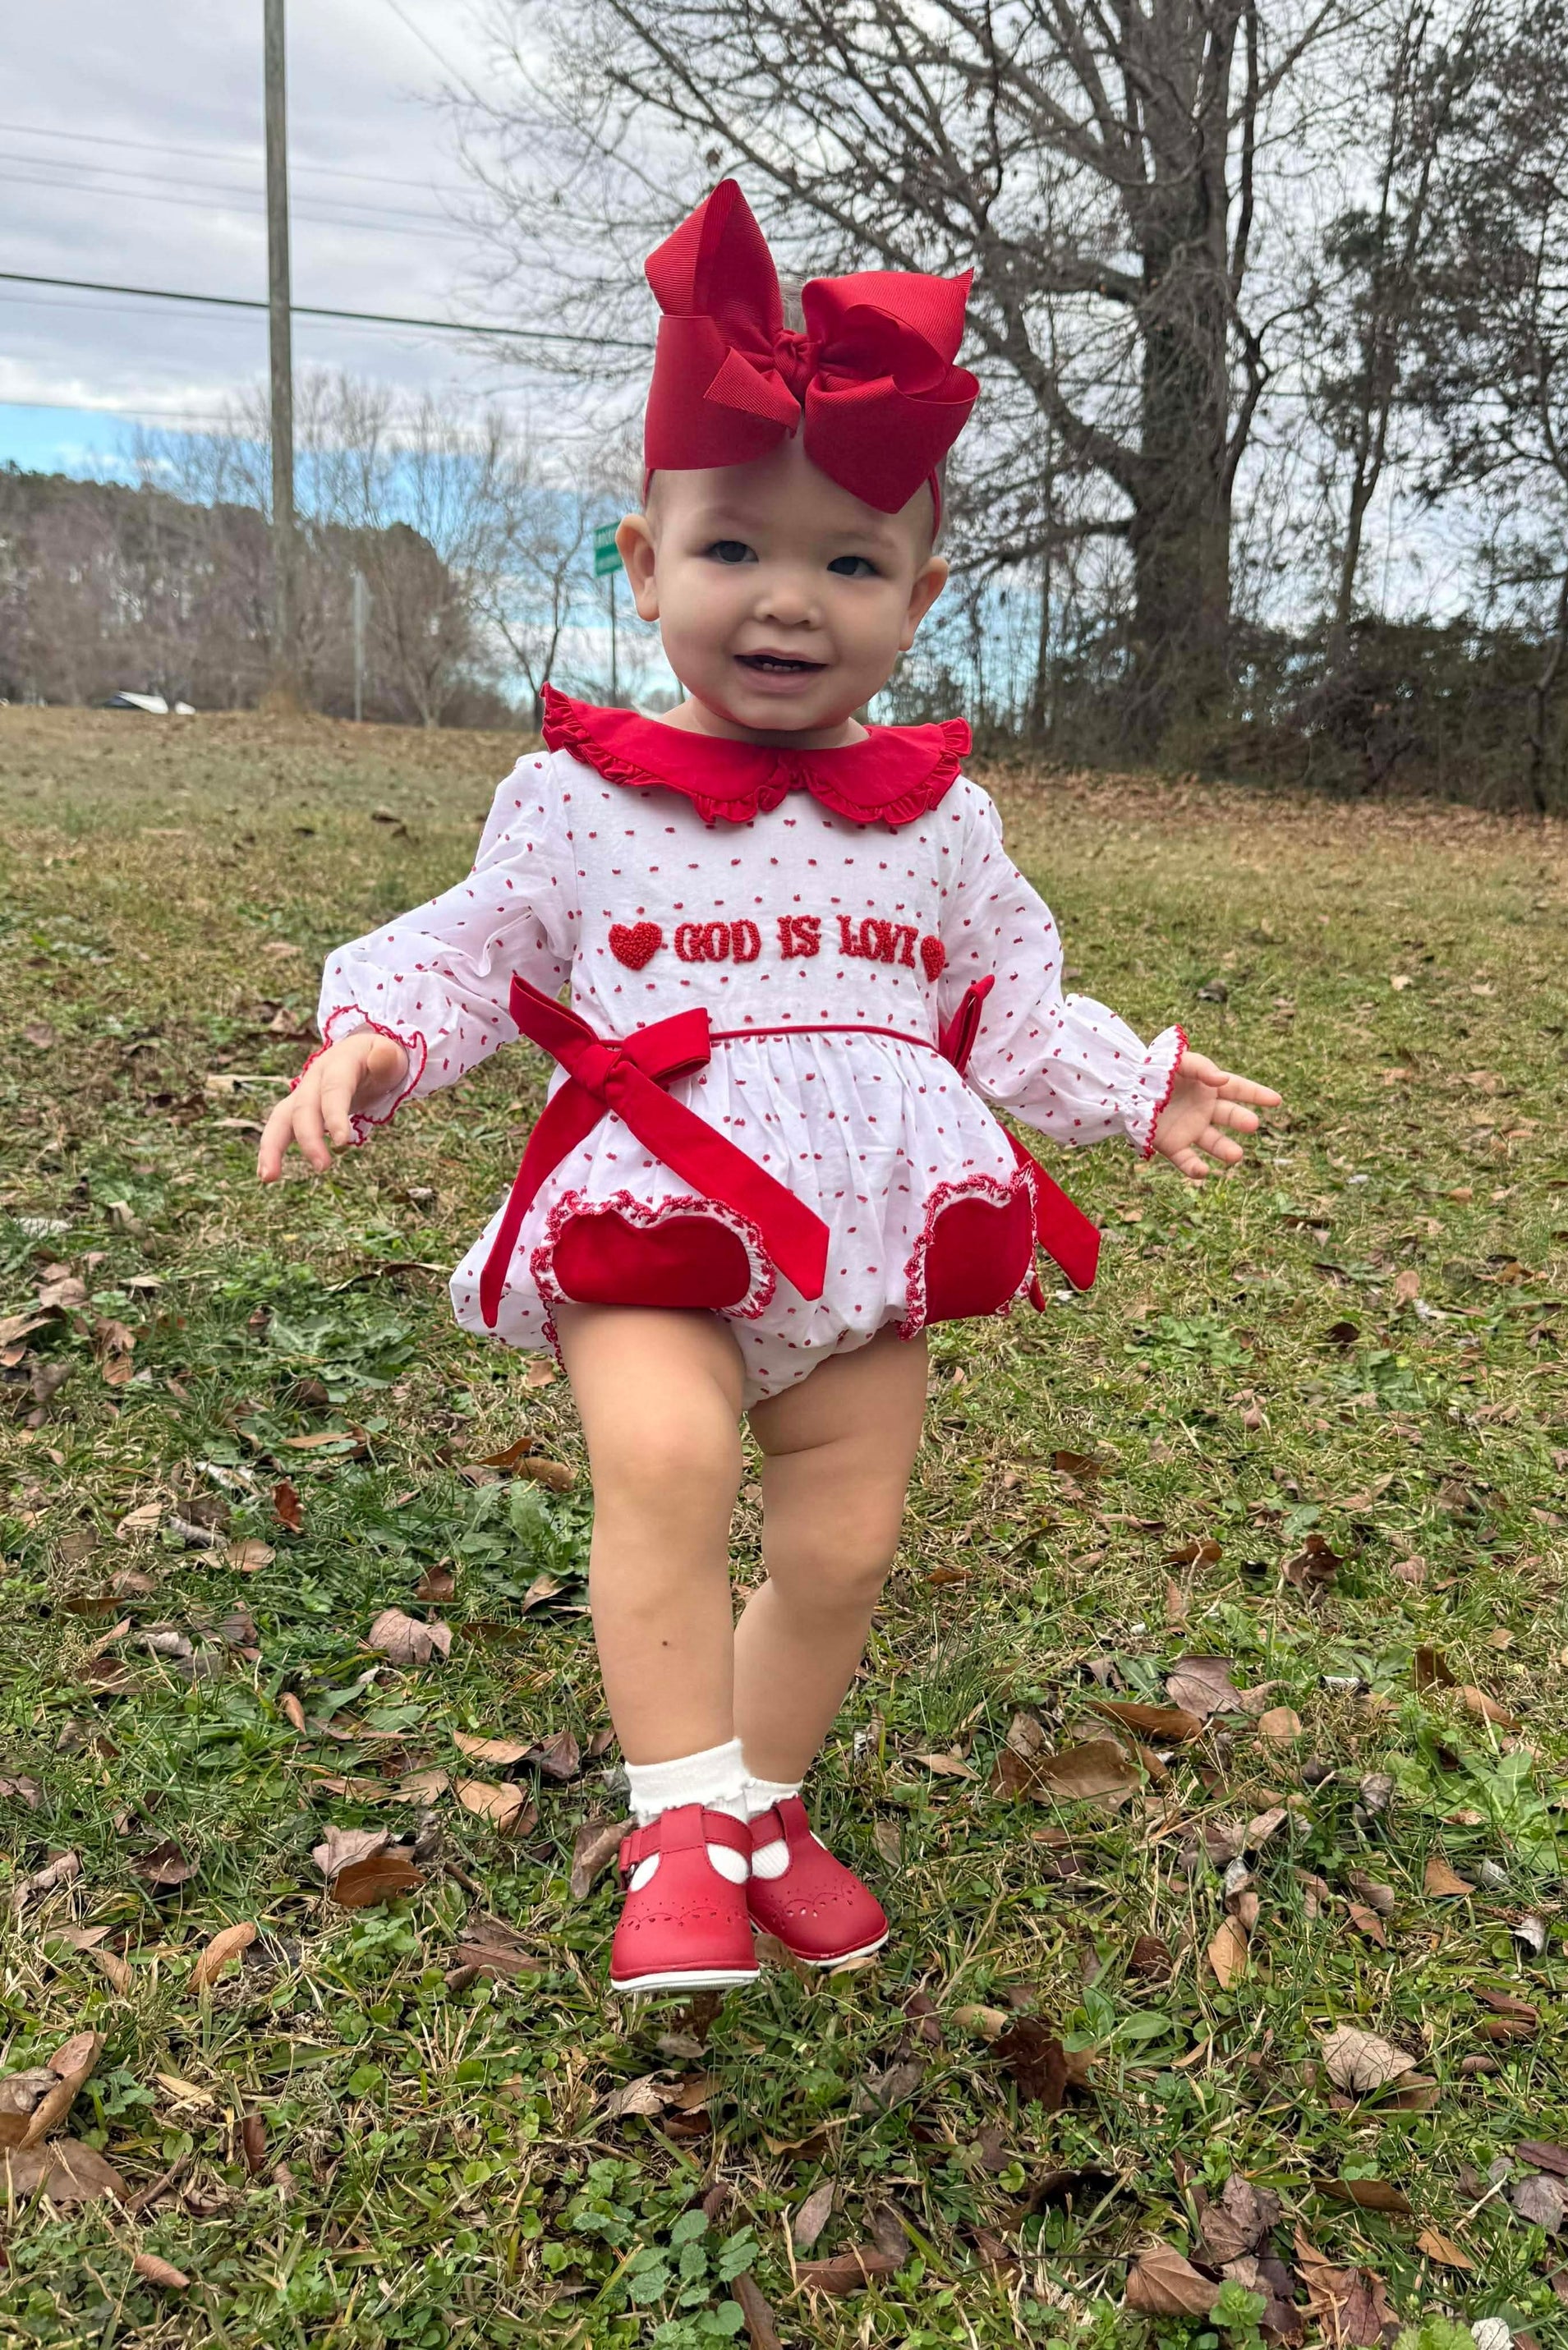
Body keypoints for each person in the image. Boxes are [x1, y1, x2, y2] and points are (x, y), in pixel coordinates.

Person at [257, 180, 1280, 1996]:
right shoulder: (580, 797)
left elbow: (1003, 1004)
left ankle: (761, 1804)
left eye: (851, 564)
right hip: (656, 1205)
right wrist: (374, 1040)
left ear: (921, 597)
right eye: (733, 548)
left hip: (870, 1231)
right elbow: (478, 949)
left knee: (844, 1542)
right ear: (644, 563)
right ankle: (675, 1817)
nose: (790, 600)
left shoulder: (938, 820)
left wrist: (1139, 1089)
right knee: (665, 1460)